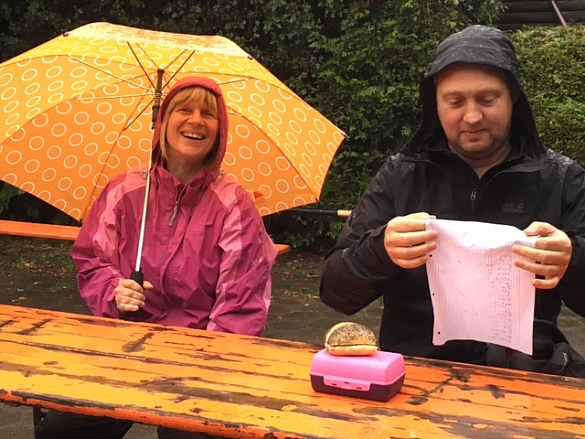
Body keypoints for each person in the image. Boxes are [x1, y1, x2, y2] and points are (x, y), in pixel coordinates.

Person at [319, 25, 585, 369]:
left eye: (487, 99)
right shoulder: (401, 176)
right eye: (455, 101)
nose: (472, 116)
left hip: (527, 375)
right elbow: (335, 292)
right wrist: (381, 249)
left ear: (514, 97)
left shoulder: (561, 179)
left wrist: (572, 261)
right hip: (417, 373)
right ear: (435, 103)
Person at [36, 76, 277, 438]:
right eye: (184, 109)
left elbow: (241, 301)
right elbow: (92, 259)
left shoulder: (233, 204)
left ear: (220, 129)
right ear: (162, 122)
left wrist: (206, 369)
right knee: (61, 430)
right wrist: (114, 291)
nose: (195, 121)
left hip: (200, 359)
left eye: (208, 114)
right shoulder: (125, 189)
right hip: (123, 347)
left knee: (189, 434)